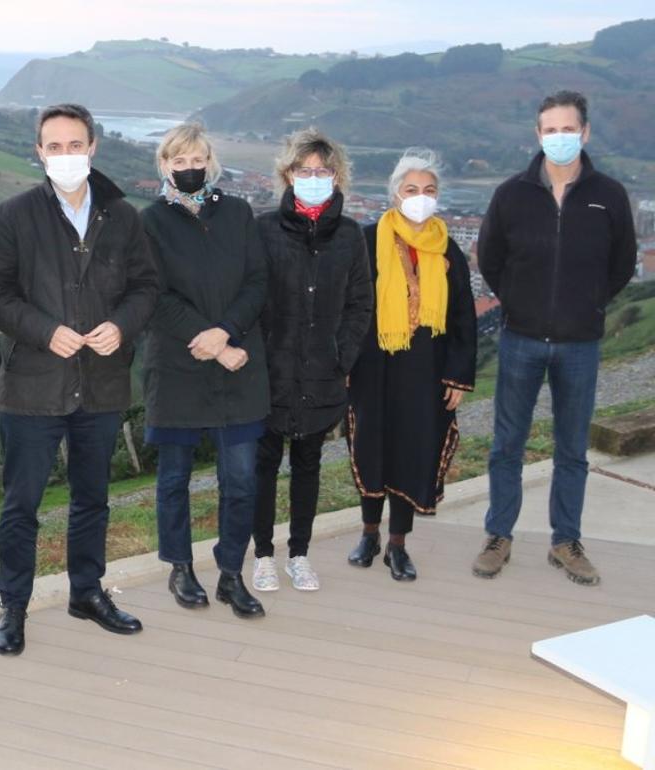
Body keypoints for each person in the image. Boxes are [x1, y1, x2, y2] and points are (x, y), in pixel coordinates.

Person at [0, 103, 159, 656]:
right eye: (54, 147)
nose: (66, 156)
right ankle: (14, 606)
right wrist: (42, 330)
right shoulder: (14, 215)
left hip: (101, 384)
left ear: (93, 147)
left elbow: (146, 288)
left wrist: (121, 326)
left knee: (93, 499)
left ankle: (87, 593)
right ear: (39, 152)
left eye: (75, 145)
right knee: (21, 505)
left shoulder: (123, 217)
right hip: (31, 386)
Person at [474, 91, 635, 585]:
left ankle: (566, 541)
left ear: (584, 133)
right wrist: (520, 303)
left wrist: (587, 305)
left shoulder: (608, 194)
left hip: (580, 343)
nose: (559, 138)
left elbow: (622, 263)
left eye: (569, 129)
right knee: (507, 445)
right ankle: (498, 535)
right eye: (550, 130)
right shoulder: (511, 194)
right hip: (521, 337)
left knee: (572, 449)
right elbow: (490, 258)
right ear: (537, 134)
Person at [140, 123, 270, 618]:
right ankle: (180, 568)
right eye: (180, 161)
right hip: (179, 365)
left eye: (198, 160)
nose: (190, 168)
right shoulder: (148, 221)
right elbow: (154, 294)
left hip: (237, 365)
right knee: (173, 479)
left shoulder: (237, 213)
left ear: (211, 161)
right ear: (164, 165)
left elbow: (258, 281)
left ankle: (232, 573)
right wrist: (213, 342)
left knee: (240, 481)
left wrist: (227, 332)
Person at [346, 148, 477, 581]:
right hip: (372, 364)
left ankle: (398, 544)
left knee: (413, 450)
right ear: (394, 195)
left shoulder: (447, 250)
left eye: (428, 190)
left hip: (426, 369)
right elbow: (347, 306)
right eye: (411, 189)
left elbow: (462, 318)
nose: (420, 196)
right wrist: (343, 360)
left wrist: (459, 375)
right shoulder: (367, 241)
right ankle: (369, 533)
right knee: (372, 444)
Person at [252, 128, 372, 593]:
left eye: (323, 171)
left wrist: (341, 355)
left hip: (323, 374)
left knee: (308, 465)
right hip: (270, 374)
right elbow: (251, 298)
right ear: (288, 174)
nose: (314, 177)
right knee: (264, 467)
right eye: (305, 170)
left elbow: (360, 303)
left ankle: (298, 553)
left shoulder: (349, 236)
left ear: (337, 175)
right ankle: (263, 554)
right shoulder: (262, 230)